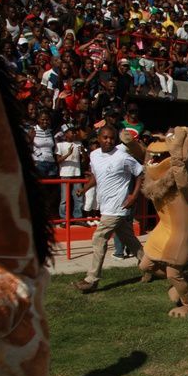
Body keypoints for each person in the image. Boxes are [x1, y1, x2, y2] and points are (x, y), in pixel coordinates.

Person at [72, 125, 145, 292]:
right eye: (105, 137)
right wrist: (84, 189)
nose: (108, 141)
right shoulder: (94, 155)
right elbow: (98, 176)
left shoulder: (123, 156)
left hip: (117, 206)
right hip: (105, 206)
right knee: (130, 241)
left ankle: (92, 279)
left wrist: (133, 196)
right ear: (98, 138)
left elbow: (140, 173)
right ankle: (151, 266)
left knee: (99, 238)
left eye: (112, 138)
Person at [55, 124, 84, 224]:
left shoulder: (78, 143)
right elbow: (58, 160)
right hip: (65, 174)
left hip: (77, 173)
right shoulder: (60, 145)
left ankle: (78, 218)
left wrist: (83, 152)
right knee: (64, 199)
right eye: (72, 132)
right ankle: (64, 219)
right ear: (66, 134)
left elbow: (84, 160)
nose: (74, 133)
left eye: (75, 131)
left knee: (78, 197)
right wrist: (68, 154)